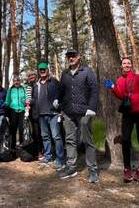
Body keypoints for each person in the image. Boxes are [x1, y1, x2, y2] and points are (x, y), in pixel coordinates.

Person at [105, 56, 139, 182]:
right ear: (121, 65)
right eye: (124, 63)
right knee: (126, 139)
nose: (126, 65)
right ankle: (127, 169)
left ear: (131, 65)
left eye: (128, 63)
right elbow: (122, 96)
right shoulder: (120, 80)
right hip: (128, 112)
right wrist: (113, 88)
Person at [57, 49, 99, 183]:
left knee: (88, 140)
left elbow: (95, 90)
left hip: (85, 112)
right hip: (69, 112)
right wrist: (60, 104)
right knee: (70, 140)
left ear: (78, 57)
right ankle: (71, 167)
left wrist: (92, 108)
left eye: (73, 56)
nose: (71, 58)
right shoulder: (65, 73)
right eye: (69, 56)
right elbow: (62, 91)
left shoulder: (87, 71)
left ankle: (92, 169)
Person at [31, 62, 65, 171]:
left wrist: (61, 109)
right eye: (40, 70)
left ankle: (60, 160)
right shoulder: (37, 85)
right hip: (41, 115)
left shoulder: (54, 82)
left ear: (47, 70)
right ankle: (48, 157)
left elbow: (62, 95)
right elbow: (35, 99)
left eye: (44, 69)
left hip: (53, 114)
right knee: (45, 137)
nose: (42, 71)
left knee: (56, 137)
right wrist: (29, 102)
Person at [26, 70, 44, 160]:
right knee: (36, 132)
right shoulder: (28, 87)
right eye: (29, 76)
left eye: (32, 75)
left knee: (44, 132)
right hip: (33, 113)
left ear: (36, 75)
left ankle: (45, 149)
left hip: (43, 111)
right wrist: (26, 103)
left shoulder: (40, 84)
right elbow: (28, 99)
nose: (31, 77)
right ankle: (39, 151)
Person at [5, 75, 26, 152]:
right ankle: (13, 148)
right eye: (15, 81)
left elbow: (27, 99)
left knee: (21, 130)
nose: (16, 82)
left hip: (22, 111)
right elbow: (7, 100)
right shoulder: (10, 90)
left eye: (18, 81)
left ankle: (21, 147)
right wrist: (4, 105)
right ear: (13, 82)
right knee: (13, 130)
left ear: (20, 81)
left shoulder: (23, 89)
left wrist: (26, 104)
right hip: (13, 111)